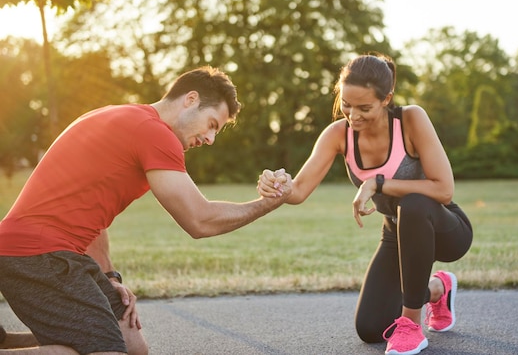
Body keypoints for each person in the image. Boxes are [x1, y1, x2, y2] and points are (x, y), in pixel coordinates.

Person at [0, 65, 292, 355]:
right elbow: (200, 221)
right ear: (190, 99)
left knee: (133, 347)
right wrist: (270, 202)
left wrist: (109, 276)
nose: (210, 139)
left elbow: (93, 212)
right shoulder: (154, 133)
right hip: (38, 254)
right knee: (108, 352)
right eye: (212, 124)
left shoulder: (123, 116)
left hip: (50, 253)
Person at [258, 53, 473, 355]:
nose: (352, 115)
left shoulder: (410, 119)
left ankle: (411, 325)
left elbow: (444, 189)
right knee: (371, 329)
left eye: (364, 107)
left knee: (412, 204)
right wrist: (277, 185)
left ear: (387, 98)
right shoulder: (338, 135)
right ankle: (438, 289)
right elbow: (299, 190)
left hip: (445, 230)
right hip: (396, 233)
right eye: (346, 104)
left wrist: (378, 182)